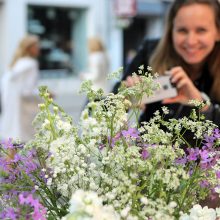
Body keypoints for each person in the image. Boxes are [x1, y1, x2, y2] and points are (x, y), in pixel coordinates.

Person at [114, 0, 220, 126]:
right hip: (148, 145)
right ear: (171, 31)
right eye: (182, 30)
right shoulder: (150, 54)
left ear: (218, 32)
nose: (191, 41)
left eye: (201, 30)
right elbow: (96, 111)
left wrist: (202, 105)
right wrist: (123, 99)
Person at [0, 34, 41, 142]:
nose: (39, 48)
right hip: (25, 111)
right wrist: (45, 93)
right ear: (30, 48)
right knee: (37, 143)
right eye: (36, 46)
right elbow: (27, 91)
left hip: (12, 109)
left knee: (12, 144)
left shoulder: (16, 64)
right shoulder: (31, 64)